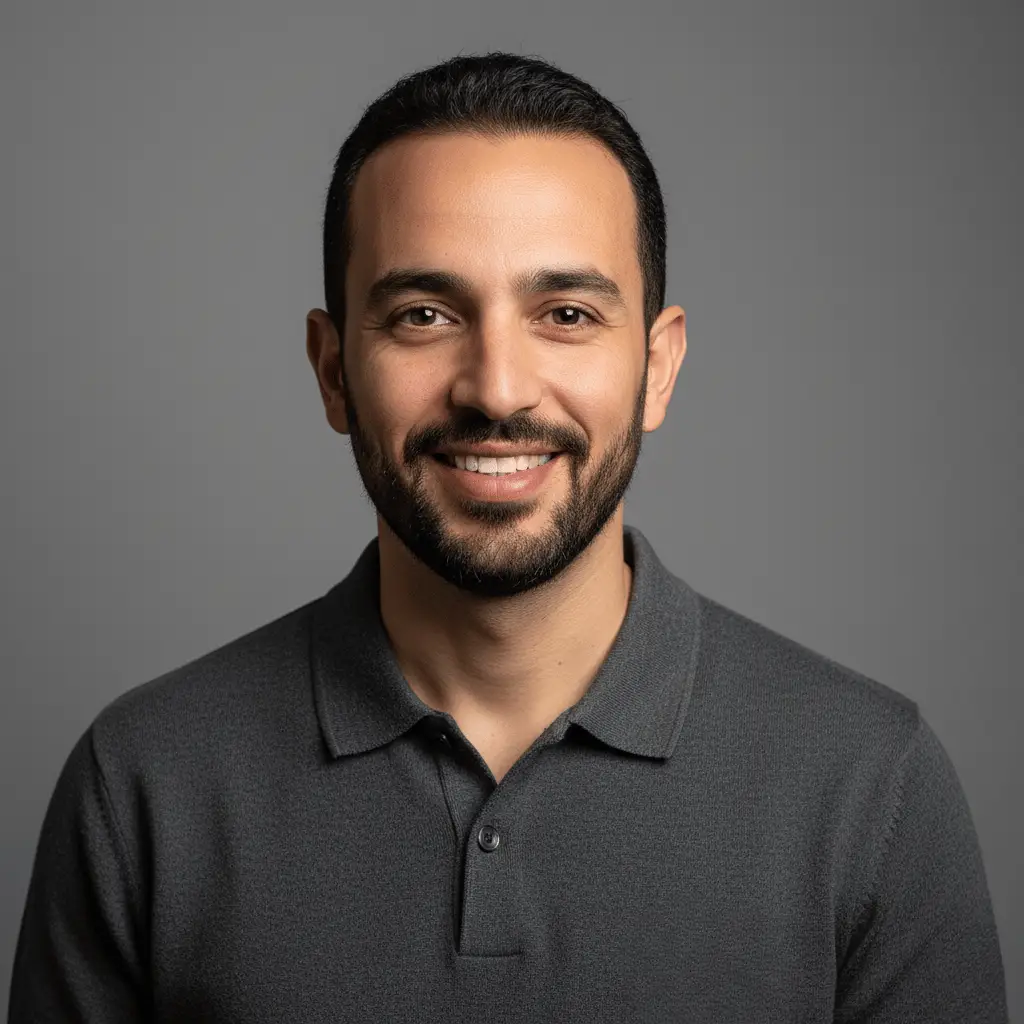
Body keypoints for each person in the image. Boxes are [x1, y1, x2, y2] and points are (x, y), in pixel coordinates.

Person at [9, 52, 1008, 1022]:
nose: (495, 386)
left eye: (565, 313)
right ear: (331, 370)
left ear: (656, 368)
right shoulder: (142, 782)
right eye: (425, 312)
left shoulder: (871, 784)